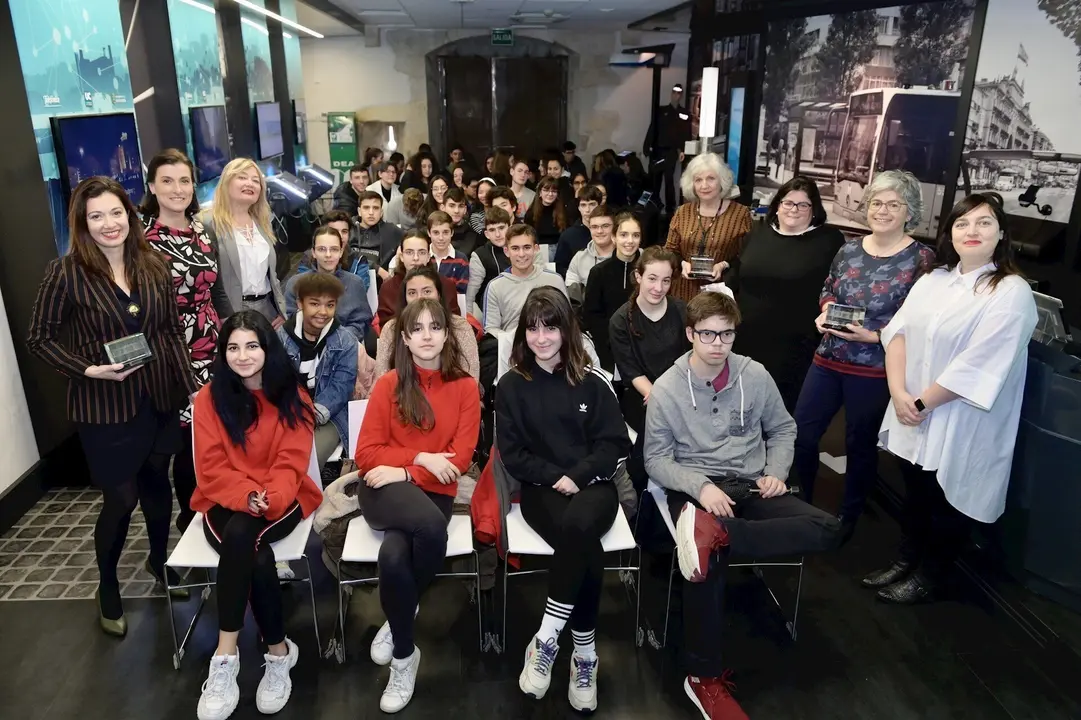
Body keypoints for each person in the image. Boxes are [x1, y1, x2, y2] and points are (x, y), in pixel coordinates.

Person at [644, 291, 840, 720]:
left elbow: (784, 429)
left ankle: (721, 537)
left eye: (727, 334)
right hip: (699, 493)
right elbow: (655, 459)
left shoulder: (755, 375)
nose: (718, 344)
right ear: (690, 334)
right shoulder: (667, 388)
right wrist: (700, 488)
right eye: (708, 334)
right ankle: (702, 678)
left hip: (753, 486)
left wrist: (777, 472)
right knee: (706, 568)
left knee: (828, 527)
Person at [27, 176, 199, 636]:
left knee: (158, 488)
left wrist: (194, 392)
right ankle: (107, 586)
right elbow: (39, 339)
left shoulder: (153, 264)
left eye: (116, 212)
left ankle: (160, 561)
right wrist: (87, 369)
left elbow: (168, 334)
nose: (109, 224)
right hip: (104, 407)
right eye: (96, 216)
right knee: (121, 499)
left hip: (160, 397)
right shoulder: (65, 273)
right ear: (83, 224)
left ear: (130, 214)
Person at [868, 192, 1037, 604]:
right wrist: (898, 393)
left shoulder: (1010, 292)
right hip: (911, 407)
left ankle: (931, 573)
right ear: (950, 234)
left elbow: (978, 365)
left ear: (1001, 233)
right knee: (916, 492)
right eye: (962, 223)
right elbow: (898, 334)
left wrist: (921, 403)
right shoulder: (934, 280)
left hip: (958, 414)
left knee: (947, 499)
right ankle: (906, 559)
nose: (972, 231)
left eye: (983, 223)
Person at [496, 287, 630, 714]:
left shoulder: (594, 381)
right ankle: (585, 652)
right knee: (584, 545)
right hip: (539, 492)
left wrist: (579, 475)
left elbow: (613, 445)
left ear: (566, 330)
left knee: (578, 529)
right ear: (523, 334)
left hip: (595, 488)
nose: (541, 338)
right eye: (533, 329)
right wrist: (558, 477)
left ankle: (549, 636)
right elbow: (514, 455)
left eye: (550, 327)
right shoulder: (511, 386)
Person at [191, 311, 322, 720]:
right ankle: (276, 653)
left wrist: (267, 497)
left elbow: (291, 463)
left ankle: (226, 655)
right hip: (225, 498)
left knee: (243, 537)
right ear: (223, 352)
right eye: (233, 347)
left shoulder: (292, 397)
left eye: (252, 345)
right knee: (254, 551)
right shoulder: (210, 399)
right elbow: (210, 469)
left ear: (267, 348)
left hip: (283, 496)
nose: (243, 356)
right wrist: (246, 495)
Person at [792, 169, 935, 541]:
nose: (882, 210)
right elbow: (829, 288)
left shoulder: (922, 260)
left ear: (910, 211)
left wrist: (874, 336)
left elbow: (920, 323)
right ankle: (798, 504)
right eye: (876, 203)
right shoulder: (849, 249)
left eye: (893, 204)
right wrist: (825, 311)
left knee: (860, 446)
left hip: (874, 369)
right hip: (828, 358)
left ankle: (848, 517)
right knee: (801, 435)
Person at [354, 297, 480, 713]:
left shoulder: (464, 387)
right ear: (405, 339)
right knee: (430, 528)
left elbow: (459, 460)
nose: (427, 336)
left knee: (393, 557)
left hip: (425, 492)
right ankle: (405, 656)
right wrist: (422, 458)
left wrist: (405, 471)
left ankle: (400, 625)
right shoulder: (389, 384)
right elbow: (367, 454)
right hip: (381, 490)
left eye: (435, 327)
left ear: (446, 334)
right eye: (418, 329)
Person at [140, 148, 224, 532]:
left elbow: (214, 291)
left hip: (211, 343)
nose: (178, 189)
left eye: (185, 180)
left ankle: (210, 511)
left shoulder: (202, 229)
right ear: (152, 187)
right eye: (167, 181)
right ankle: (189, 521)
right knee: (184, 443)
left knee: (210, 436)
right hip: (172, 352)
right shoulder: (143, 241)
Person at [727, 177, 844, 410]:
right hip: (746, 339)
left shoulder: (829, 241)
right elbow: (738, 272)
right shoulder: (758, 232)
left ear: (814, 210)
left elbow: (836, 288)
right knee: (741, 408)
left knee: (782, 414)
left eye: (803, 205)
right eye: (788, 203)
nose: (794, 210)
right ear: (777, 205)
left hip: (795, 347)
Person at [277, 273, 358, 468]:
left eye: (330, 305)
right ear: (300, 303)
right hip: (288, 414)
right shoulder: (281, 337)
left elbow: (341, 388)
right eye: (315, 304)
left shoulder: (345, 341)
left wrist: (311, 415)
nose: (323, 311)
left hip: (329, 415)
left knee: (307, 458)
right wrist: (293, 414)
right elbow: (277, 383)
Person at [609, 246, 688, 434]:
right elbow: (631, 372)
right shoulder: (619, 321)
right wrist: (657, 396)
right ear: (638, 276)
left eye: (666, 281)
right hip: (644, 398)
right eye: (652, 279)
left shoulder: (682, 311)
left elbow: (692, 359)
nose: (659, 288)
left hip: (683, 391)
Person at [203, 158, 286, 325]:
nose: (250, 183)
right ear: (226, 182)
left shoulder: (262, 222)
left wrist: (281, 311)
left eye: (256, 181)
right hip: (230, 312)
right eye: (242, 177)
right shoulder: (207, 222)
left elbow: (272, 276)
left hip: (268, 311)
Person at [664, 153, 750, 303]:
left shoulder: (740, 214)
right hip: (682, 293)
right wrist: (682, 264)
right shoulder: (682, 212)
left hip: (719, 295)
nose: (704, 185)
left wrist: (723, 265)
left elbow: (747, 256)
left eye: (711, 178)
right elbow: (670, 251)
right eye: (698, 180)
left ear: (722, 181)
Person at [375, 265, 480, 380]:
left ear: (439, 295)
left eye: (427, 291)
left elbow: (471, 378)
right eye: (412, 293)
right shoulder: (391, 328)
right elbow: (381, 379)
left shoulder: (460, 326)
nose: (420, 298)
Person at [286, 225, 373, 341]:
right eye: (322, 249)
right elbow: (291, 320)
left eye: (334, 249)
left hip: (344, 346)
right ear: (313, 252)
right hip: (305, 346)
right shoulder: (295, 283)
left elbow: (361, 322)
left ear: (341, 252)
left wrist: (336, 341)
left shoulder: (355, 283)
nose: (328, 255)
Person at [583, 211, 642, 372]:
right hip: (607, 350)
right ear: (614, 238)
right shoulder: (598, 272)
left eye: (635, 235)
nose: (630, 241)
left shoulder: (647, 272)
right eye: (624, 235)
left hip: (642, 348)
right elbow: (592, 315)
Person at [483, 224, 568, 334]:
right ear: (506, 251)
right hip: (512, 346)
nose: (521, 254)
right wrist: (511, 340)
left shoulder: (555, 280)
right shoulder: (495, 286)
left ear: (536, 249)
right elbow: (490, 328)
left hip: (551, 343)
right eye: (515, 248)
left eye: (527, 247)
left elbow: (567, 320)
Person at [377, 230, 462, 328]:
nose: (416, 258)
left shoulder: (446, 285)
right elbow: (387, 329)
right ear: (401, 257)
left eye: (421, 252)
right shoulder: (388, 288)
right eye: (409, 252)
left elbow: (454, 324)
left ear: (428, 256)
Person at [643, 84, 691, 213]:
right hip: (659, 150)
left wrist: (682, 149)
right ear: (671, 93)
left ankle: (670, 208)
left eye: (679, 93)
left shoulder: (683, 113)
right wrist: (647, 147)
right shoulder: (662, 111)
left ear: (681, 95)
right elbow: (653, 128)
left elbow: (685, 132)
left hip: (671, 151)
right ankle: (654, 204)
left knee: (669, 179)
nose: (676, 95)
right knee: (656, 179)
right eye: (674, 92)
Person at [465, 206, 513, 316]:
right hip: (491, 311)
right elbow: (470, 295)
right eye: (492, 230)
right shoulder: (479, 255)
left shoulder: (519, 248)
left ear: (510, 228)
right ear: (486, 234)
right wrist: (468, 320)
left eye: (501, 228)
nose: (497, 234)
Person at [566, 205, 616, 305]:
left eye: (605, 226)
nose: (599, 231)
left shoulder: (628, 255)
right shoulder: (579, 258)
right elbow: (573, 301)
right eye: (594, 227)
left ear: (615, 228)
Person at [349, 190, 404, 281]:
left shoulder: (391, 231)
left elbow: (412, 239)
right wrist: (376, 268)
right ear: (359, 211)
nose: (371, 212)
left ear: (381, 212)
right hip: (351, 282)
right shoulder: (348, 229)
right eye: (366, 208)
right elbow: (345, 254)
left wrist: (400, 253)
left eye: (375, 208)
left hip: (382, 283)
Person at [554, 186, 603, 278]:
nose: (588, 210)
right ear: (578, 207)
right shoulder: (568, 235)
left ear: (599, 205)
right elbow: (560, 267)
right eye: (583, 205)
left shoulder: (609, 232)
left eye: (592, 204)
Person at [318, 210, 372, 289]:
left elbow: (358, 293)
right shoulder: (309, 258)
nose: (340, 236)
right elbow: (303, 291)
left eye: (344, 231)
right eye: (334, 231)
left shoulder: (359, 261)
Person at [426, 210, 470, 294]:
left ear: (452, 232)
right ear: (429, 233)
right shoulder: (422, 256)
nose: (441, 238)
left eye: (445, 232)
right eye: (436, 233)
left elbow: (461, 291)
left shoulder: (461, 260)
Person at [526, 176, 567, 250]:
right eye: (546, 190)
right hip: (538, 249)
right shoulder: (531, 213)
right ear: (540, 193)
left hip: (558, 248)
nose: (550, 194)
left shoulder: (563, 211)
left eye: (554, 191)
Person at [441, 187, 482, 257]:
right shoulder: (434, 233)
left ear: (465, 209)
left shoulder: (474, 237)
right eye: (452, 206)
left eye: (460, 206)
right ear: (443, 208)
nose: (456, 211)